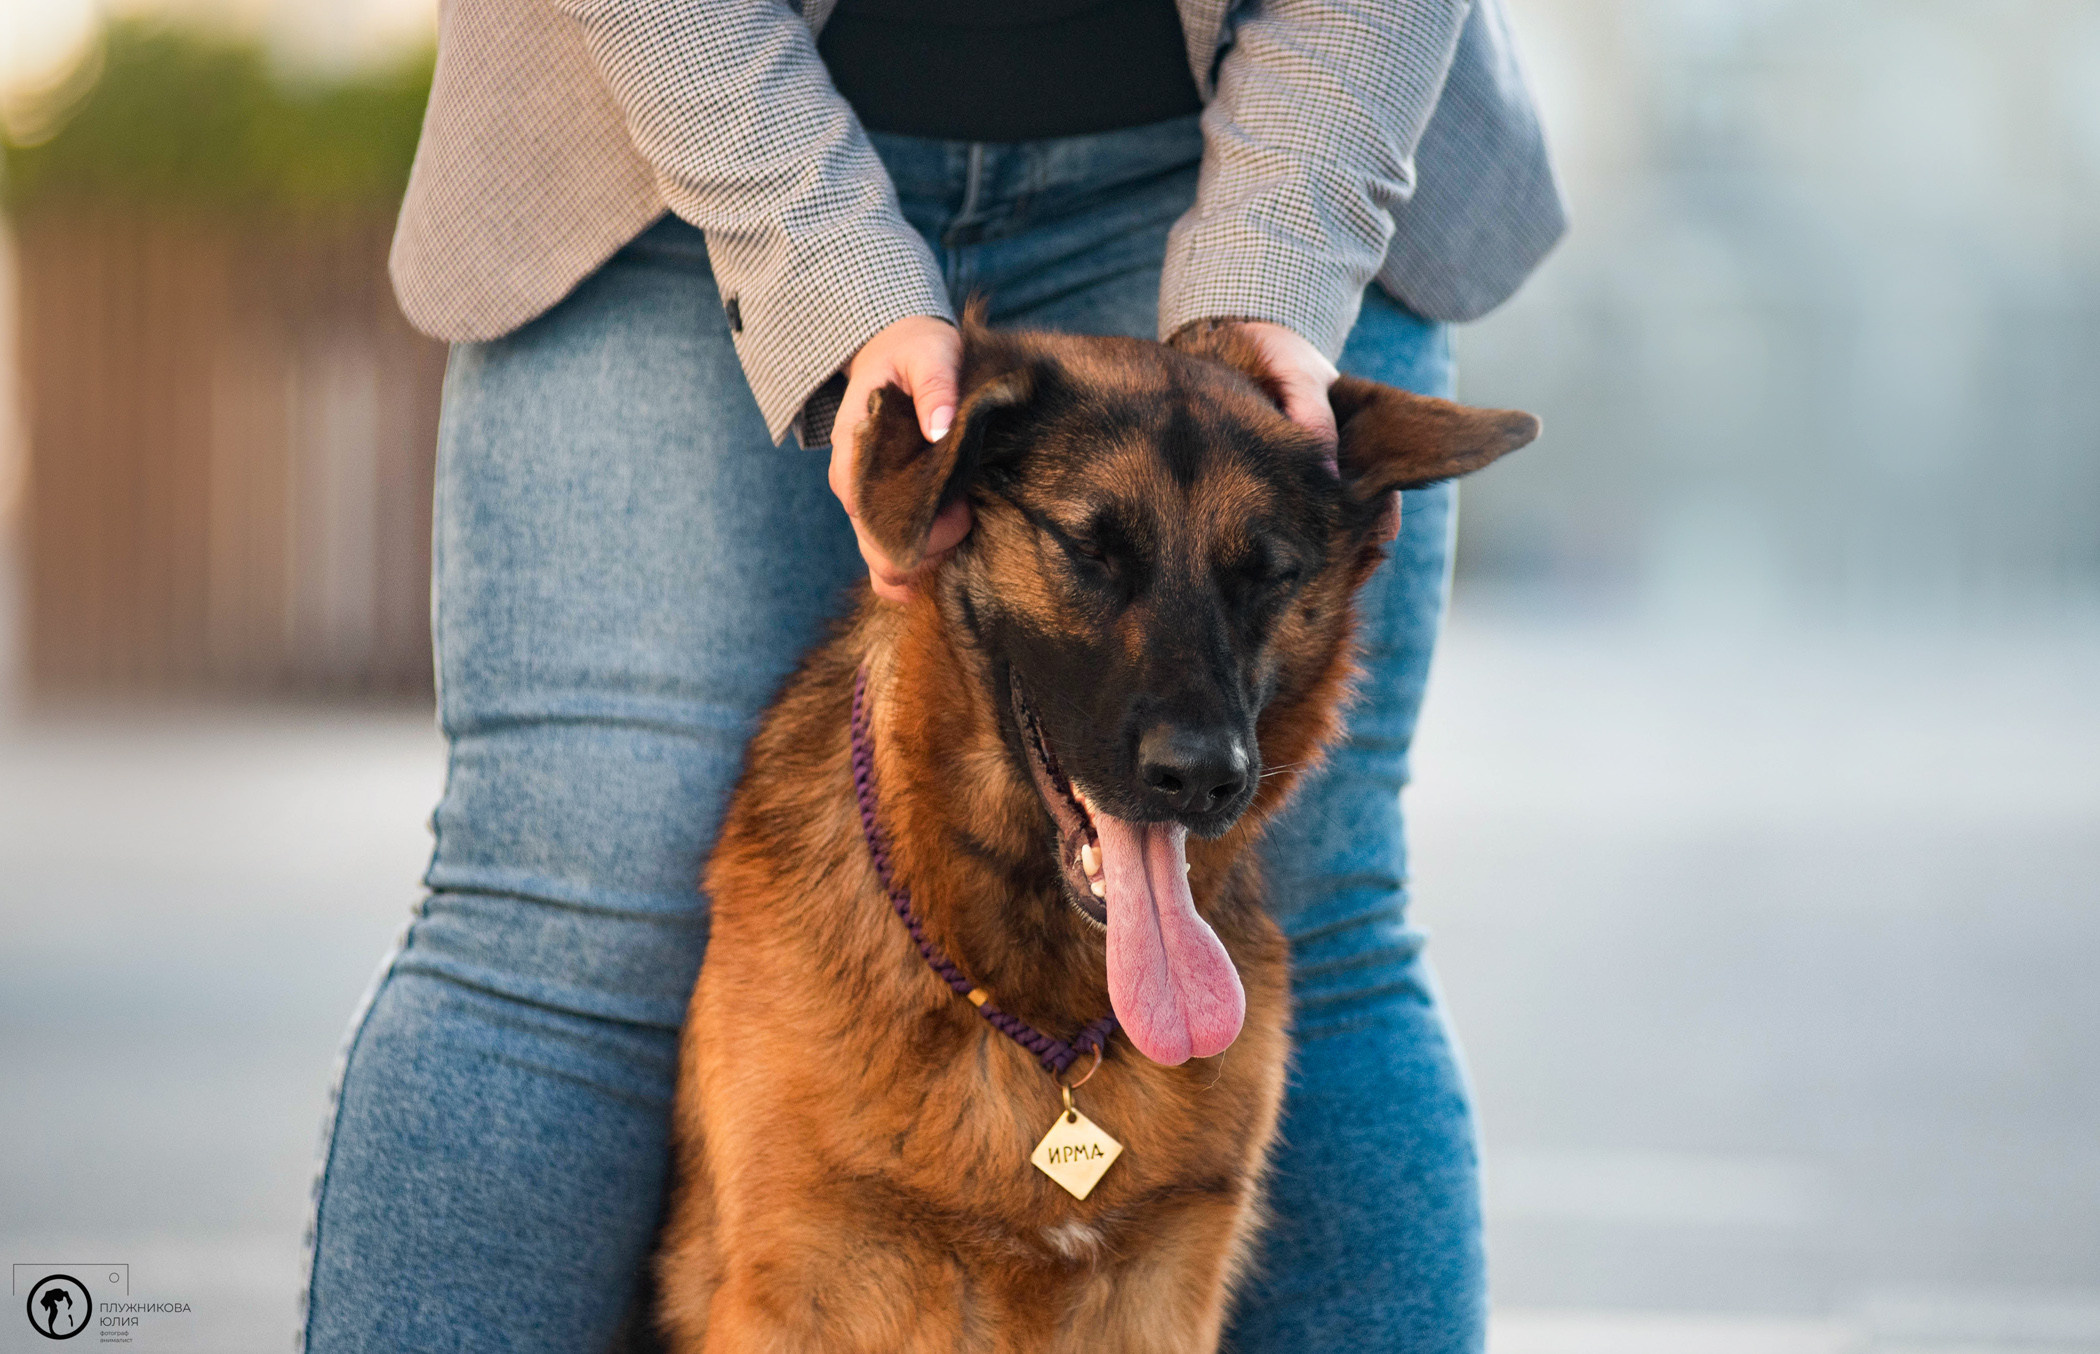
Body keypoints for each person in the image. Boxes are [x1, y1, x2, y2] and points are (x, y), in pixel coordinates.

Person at [299, 1, 1565, 1349]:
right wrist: (830, 267)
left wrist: (1281, 256)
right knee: (565, 906)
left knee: (1321, 906)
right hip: (655, 132)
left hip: (1262, 119)